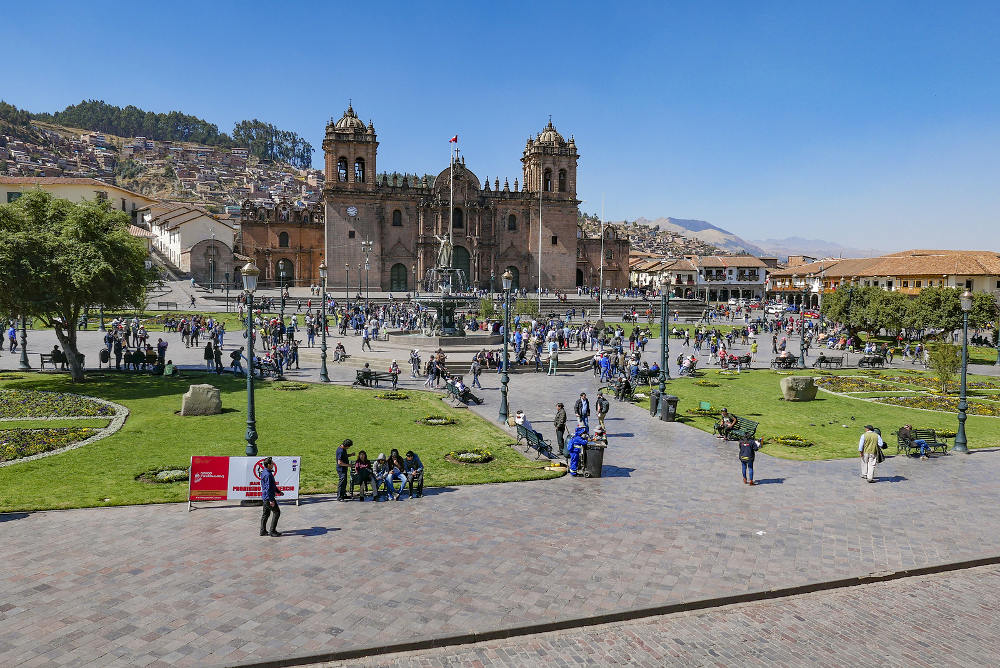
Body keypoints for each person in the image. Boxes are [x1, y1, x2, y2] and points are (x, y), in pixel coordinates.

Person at [259, 457, 283, 537]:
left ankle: (262, 531)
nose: (273, 464)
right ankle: (272, 531)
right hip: (268, 498)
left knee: (265, 514)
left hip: (265, 497)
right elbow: (268, 488)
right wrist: (271, 500)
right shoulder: (268, 474)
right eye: (272, 463)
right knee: (277, 512)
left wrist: (278, 492)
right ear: (268, 465)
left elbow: (272, 486)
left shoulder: (265, 472)